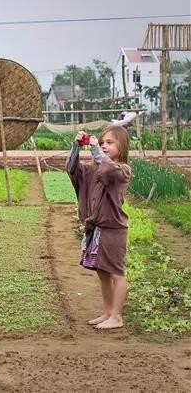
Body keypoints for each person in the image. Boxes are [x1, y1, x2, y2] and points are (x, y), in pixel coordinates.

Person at [66, 126, 132, 330]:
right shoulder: (92, 169)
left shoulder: (123, 170)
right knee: (102, 272)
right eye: (102, 142)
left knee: (116, 273)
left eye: (110, 143)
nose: (104, 146)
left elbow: (108, 170)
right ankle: (108, 312)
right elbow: (72, 170)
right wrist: (76, 147)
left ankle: (117, 317)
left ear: (122, 147)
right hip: (96, 230)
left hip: (112, 230)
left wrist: (96, 150)